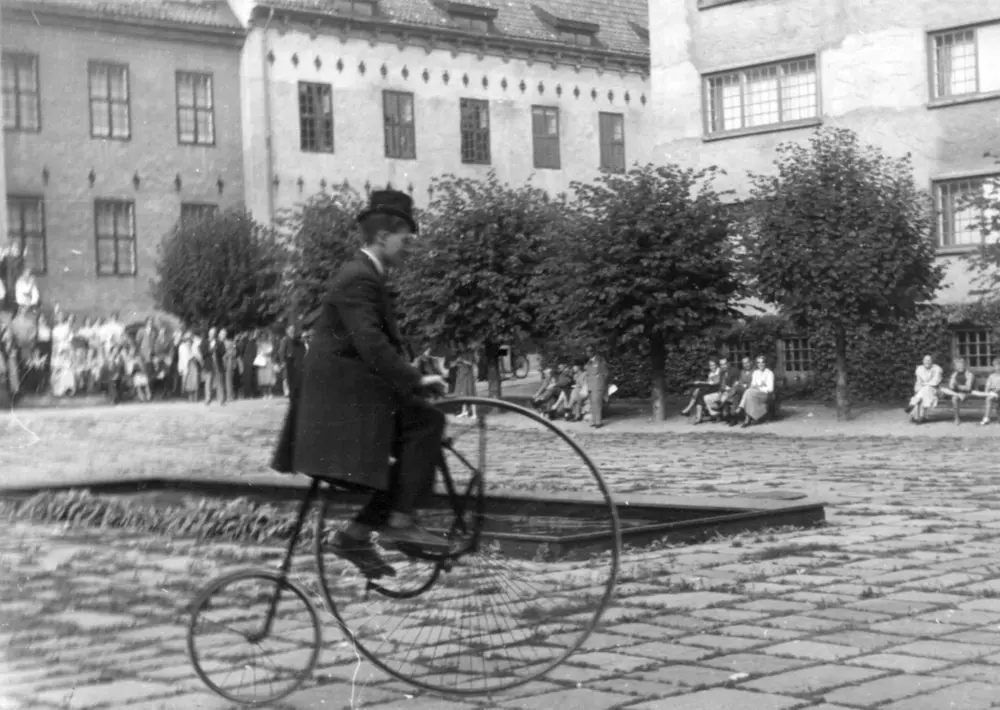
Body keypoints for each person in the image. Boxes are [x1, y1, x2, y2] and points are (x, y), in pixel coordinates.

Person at [271, 189, 449, 580]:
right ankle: (398, 522)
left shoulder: (367, 276)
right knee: (426, 425)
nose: (409, 247)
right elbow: (370, 344)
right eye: (406, 238)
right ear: (384, 236)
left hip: (352, 397)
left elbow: (371, 345)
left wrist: (413, 378)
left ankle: (356, 534)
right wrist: (416, 379)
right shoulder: (359, 278)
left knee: (415, 446)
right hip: (340, 407)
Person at [737, 355, 775, 427]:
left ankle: (741, 407)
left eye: (762, 362)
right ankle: (748, 419)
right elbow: (753, 384)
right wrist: (759, 386)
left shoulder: (769, 373)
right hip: (755, 393)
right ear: (757, 364)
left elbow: (770, 389)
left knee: (748, 392)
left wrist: (759, 388)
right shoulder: (755, 373)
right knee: (749, 394)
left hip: (765, 395)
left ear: (765, 363)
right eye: (758, 362)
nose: (760, 364)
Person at [905, 355, 943, 424]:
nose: (927, 361)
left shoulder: (937, 368)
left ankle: (912, 404)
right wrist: (920, 387)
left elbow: (935, 382)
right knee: (923, 394)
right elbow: (919, 382)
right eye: (925, 360)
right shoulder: (919, 368)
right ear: (923, 361)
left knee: (926, 389)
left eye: (929, 360)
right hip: (922, 390)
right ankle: (920, 417)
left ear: (932, 361)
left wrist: (924, 384)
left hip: (934, 389)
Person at [938, 358, 975, 425]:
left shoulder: (969, 374)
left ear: (964, 365)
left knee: (954, 398)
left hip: (966, 393)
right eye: (958, 365)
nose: (959, 366)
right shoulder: (954, 374)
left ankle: (957, 419)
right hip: (955, 392)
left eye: (961, 365)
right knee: (940, 390)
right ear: (956, 367)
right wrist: (952, 385)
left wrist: (957, 386)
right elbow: (951, 386)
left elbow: (968, 388)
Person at [585, 345, 609, 428]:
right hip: (591, 386)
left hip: (598, 385)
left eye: (589, 351)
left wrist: (601, 381)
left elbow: (605, 373)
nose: (587, 353)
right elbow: (588, 374)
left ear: (593, 352)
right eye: (586, 351)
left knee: (597, 403)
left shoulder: (600, 360)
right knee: (592, 403)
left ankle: (599, 422)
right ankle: (595, 421)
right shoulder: (588, 362)